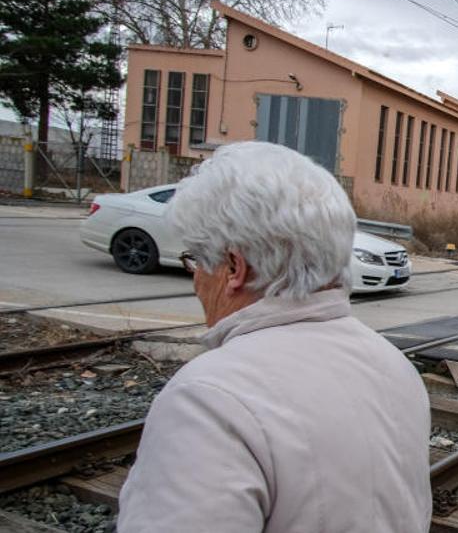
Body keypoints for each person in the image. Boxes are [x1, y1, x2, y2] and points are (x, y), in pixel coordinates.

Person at [117, 142, 432, 532]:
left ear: (234, 267)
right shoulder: (393, 363)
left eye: (196, 260)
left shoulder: (208, 399)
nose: (195, 278)